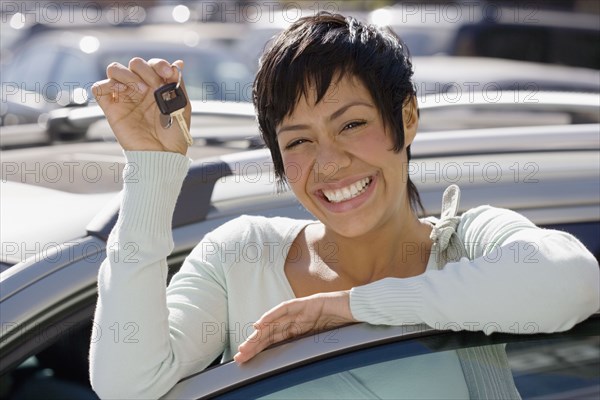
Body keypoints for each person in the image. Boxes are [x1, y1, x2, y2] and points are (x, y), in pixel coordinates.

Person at [89, 13, 599, 399]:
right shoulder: (239, 255)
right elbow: (128, 382)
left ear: (408, 117)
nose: (329, 164)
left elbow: (572, 283)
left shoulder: (469, 246)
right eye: (298, 142)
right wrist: (151, 167)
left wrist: (349, 309)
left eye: (352, 125)